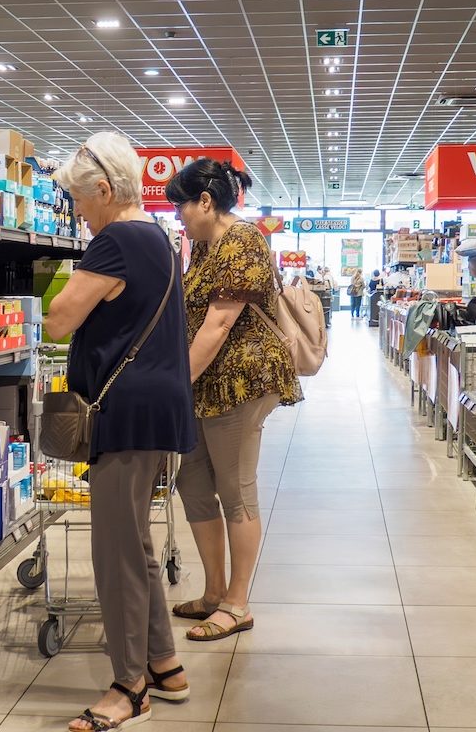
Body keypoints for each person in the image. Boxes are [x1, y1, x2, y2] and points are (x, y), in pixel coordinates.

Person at [45, 131, 197, 731]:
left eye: (81, 201)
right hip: (155, 406)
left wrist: (68, 284)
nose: (78, 213)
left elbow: (58, 322)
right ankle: (163, 663)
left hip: (125, 411)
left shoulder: (114, 241)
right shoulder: (156, 237)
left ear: (105, 190)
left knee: (114, 554)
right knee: (134, 543)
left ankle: (128, 685)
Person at [163, 159, 303, 643]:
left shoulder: (242, 241)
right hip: (205, 382)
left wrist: (173, 383)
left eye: (180, 205)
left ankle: (238, 603)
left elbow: (219, 325)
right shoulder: (204, 246)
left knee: (235, 487)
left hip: (241, 381)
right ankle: (214, 591)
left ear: (205, 201)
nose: (178, 216)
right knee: (194, 483)